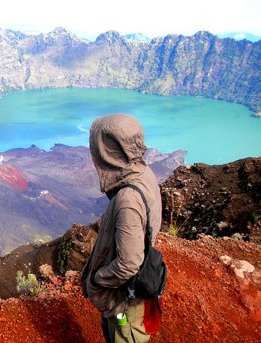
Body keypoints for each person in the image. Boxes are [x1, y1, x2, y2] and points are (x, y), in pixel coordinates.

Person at [81, 114, 162, 343]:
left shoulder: (128, 199)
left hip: (125, 299)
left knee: (122, 334)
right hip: (137, 285)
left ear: (109, 150)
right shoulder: (144, 174)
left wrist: (97, 280)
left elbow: (128, 264)